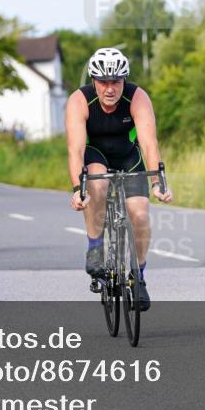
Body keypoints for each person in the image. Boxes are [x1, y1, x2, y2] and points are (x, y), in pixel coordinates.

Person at [65, 47, 173, 312]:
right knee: (98, 184)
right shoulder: (80, 100)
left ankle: (139, 276)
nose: (110, 88)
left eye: (116, 81)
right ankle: (94, 246)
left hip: (128, 156)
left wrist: (158, 182)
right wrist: (79, 189)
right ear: (93, 80)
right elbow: (75, 149)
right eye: (103, 82)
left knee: (140, 213)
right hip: (96, 155)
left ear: (124, 80)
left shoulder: (137, 97)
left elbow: (148, 143)